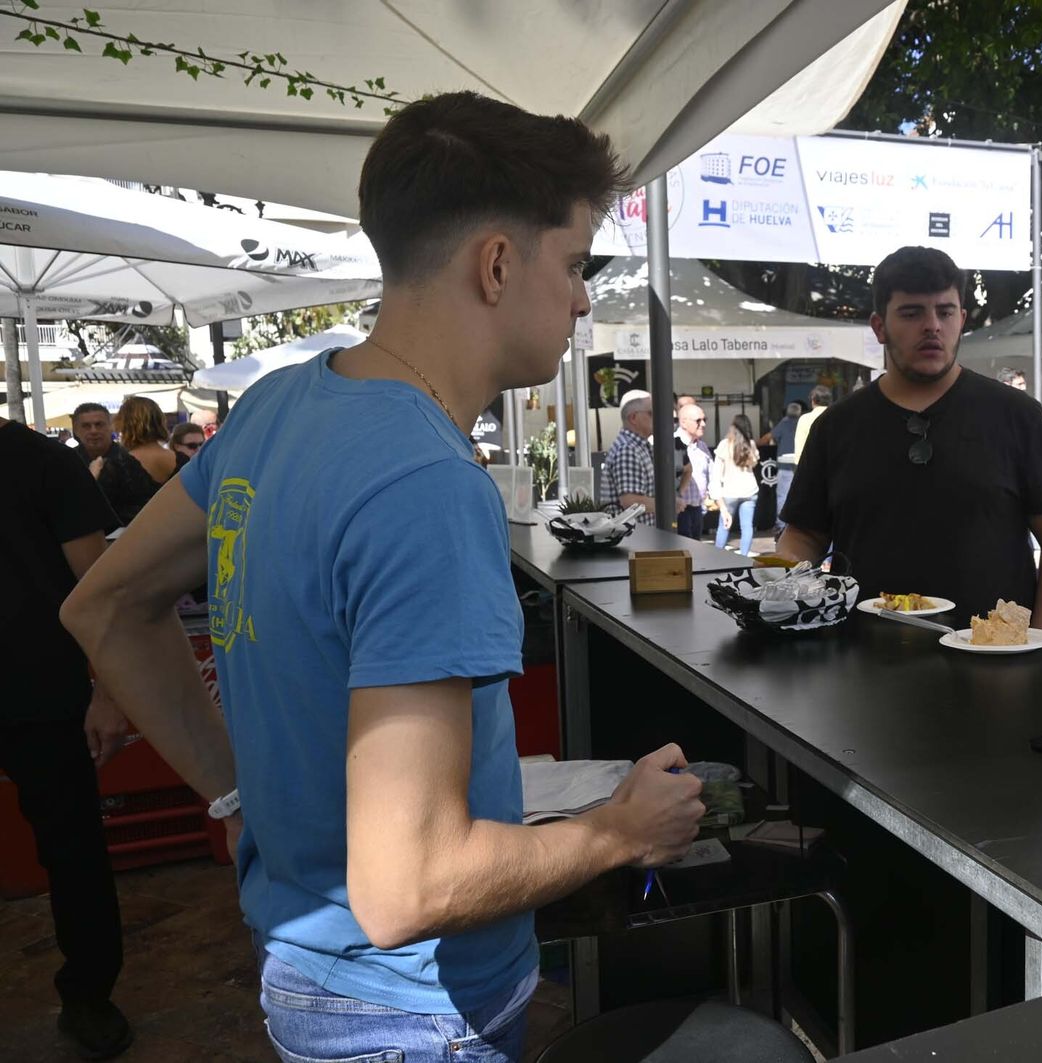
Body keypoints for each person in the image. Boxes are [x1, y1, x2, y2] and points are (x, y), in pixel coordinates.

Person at [61, 92, 704, 1063]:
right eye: (572, 263)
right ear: (496, 263)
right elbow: (408, 887)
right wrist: (619, 833)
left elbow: (104, 603)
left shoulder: (278, 408)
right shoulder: (427, 482)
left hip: (311, 976)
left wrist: (239, 794)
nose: (580, 299)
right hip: (410, 1016)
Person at [779, 246, 1042, 622]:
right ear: (879, 327)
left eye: (945, 312)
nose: (932, 326)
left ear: (963, 320)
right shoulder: (837, 426)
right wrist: (781, 592)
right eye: (911, 313)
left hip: (994, 665)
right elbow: (804, 536)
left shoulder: (1017, 415)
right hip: (861, 661)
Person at [2, 415, 132, 1059]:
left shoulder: (41, 461)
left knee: (73, 850)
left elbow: (100, 587)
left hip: (42, 695)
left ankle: (89, 995)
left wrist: (108, 693)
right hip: (41, 693)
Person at [70, 402, 147, 527]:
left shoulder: (128, 461)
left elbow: (142, 506)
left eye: (99, 424)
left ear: (110, 426)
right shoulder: (68, 462)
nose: (93, 431)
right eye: (86, 426)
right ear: (76, 430)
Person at [600, 389, 659, 525]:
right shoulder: (627, 449)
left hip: (638, 537)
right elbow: (631, 502)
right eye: (651, 413)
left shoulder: (637, 446)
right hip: (634, 538)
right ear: (633, 418)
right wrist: (668, 505)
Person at [711, 413, 760, 555]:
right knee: (747, 527)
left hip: (729, 492)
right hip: (749, 491)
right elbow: (755, 463)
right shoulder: (750, 444)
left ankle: (717, 558)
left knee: (724, 525)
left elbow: (717, 473)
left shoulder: (724, 445)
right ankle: (744, 558)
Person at [674, 401, 712, 539]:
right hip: (679, 510)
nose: (703, 424)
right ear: (683, 422)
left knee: (695, 553)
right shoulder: (672, 444)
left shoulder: (702, 446)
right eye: (698, 420)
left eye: (704, 420)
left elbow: (710, 474)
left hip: (697, 509)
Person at [767, 401, 803, 535]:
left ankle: (781, 525)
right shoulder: (801, 423)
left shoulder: (784, 423)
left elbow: (769, 437)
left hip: (785, 466)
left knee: (782, 496)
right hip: (800, 466)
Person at [792, 384, 832, 464]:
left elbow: (800, 450)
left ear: (813, 400)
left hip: (812, 467)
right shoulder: (838, 417)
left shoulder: (805, 419)